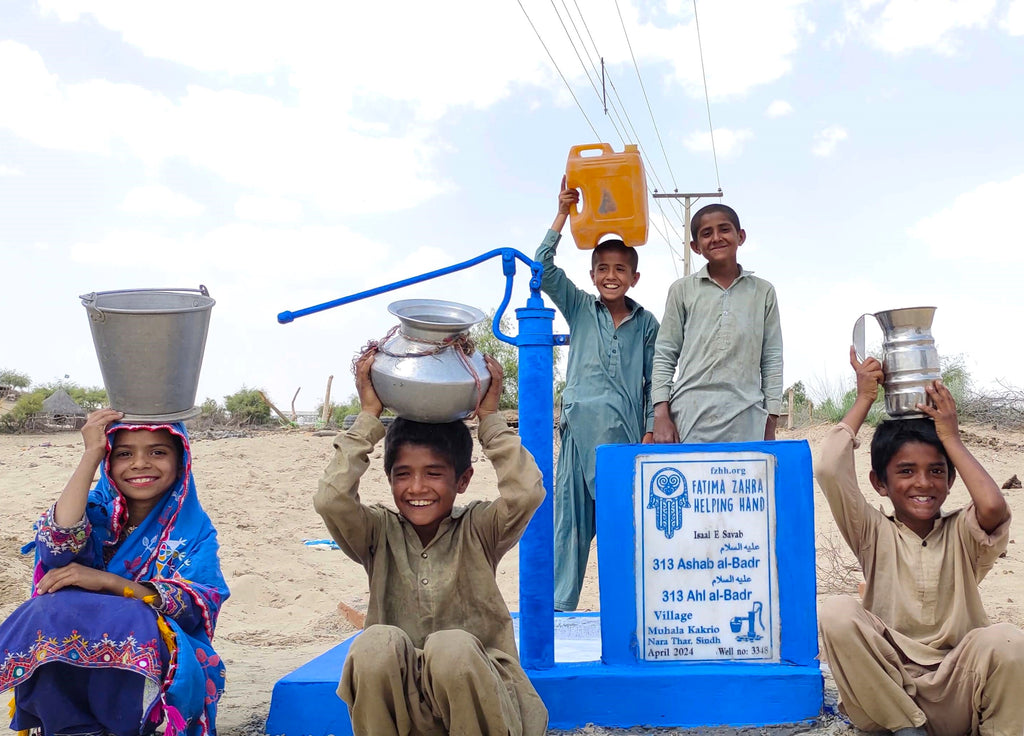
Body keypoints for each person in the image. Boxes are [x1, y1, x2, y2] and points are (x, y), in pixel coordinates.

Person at [314, 353, 548, 735]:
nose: (417, 488)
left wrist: (489, 420)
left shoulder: (479, 528)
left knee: (451, 648)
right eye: (403, 475)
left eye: (434, 474)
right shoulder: (376, 532)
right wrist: (368, 417)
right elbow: (331, 499)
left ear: (463, 480)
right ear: (389, 479)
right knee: (375, 644)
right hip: (409, 711)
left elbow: (525, 492)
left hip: (482, 699)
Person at [816, 348, 1024, 736]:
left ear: (951, 480)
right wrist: (864, 399)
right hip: (889, 693)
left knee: (1009, 640)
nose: (923, 483)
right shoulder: (872, 532)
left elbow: (994, 506)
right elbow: (829, 466)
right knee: (837, 612)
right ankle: (908, 729)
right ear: (880, 483)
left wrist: (951, 437)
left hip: (958, 689)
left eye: (936, 471)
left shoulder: (964, 533)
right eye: (906, 472)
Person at [0, 408, 229, 736]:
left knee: (132, 616)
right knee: (46, 606)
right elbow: (55, 548)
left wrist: (108, 582)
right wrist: (91, 453)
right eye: (123, 453)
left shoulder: (194, 530)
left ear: (181, 461)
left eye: (158, 452)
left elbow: (196, 603)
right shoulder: (93, 512)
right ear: (109, 463)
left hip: (153, 661)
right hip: (75, 658)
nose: (140, 463)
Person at [535, 176, 660, 613]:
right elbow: (543, 269)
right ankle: (559, 611)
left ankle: (623, 614)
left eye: (620, 269)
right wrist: (563, 214)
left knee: (620, 531)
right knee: (568, 527)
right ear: (592, 275)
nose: (611, 276)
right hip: (575, 437)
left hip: (621, 442)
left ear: (634, 276)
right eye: (603, 269)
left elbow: (653, 381)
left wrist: (648, 430)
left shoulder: (646, 324)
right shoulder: (579, 308)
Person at [651, 203, 783, 444]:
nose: (716, 238)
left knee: (744, 482)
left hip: (748, 418)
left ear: (740, 236)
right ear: (695, 246)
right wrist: (660, 415)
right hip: (690, 417)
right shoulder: (682, 290)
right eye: (706, 233)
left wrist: (770, 421)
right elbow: (664, 354)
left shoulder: (763, 292)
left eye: (724, 229)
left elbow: (772, 359)